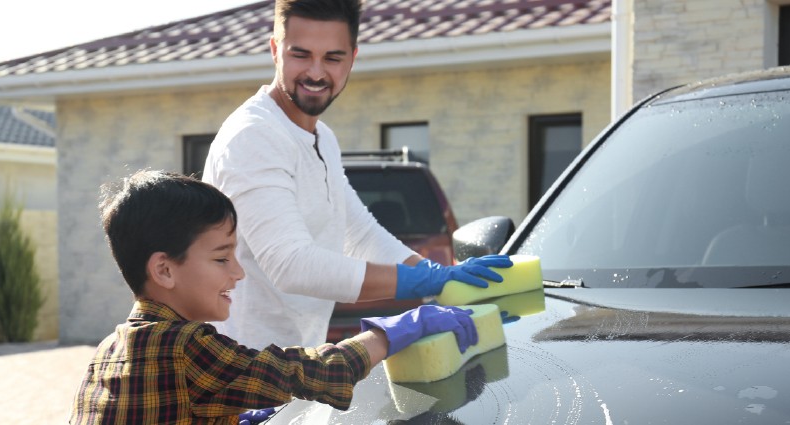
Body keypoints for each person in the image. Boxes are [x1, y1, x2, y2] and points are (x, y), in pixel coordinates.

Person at [202, 0, 513, 350]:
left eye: (333, 58)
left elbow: (360, 233)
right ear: (275, 50)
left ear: (352, 58)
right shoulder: (254, 135)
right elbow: (291, 265)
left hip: (291, 366)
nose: (317, 73)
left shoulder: (323, 139)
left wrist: (442, 280)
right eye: (300, 55)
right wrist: (422, 280)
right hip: (238, 375)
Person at [69, 169, 479, 424]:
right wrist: (392, 333)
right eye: (221, 258)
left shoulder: (110, 349)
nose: (239, 272)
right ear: (163, 269)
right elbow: (306, 371)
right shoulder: (183, 345)